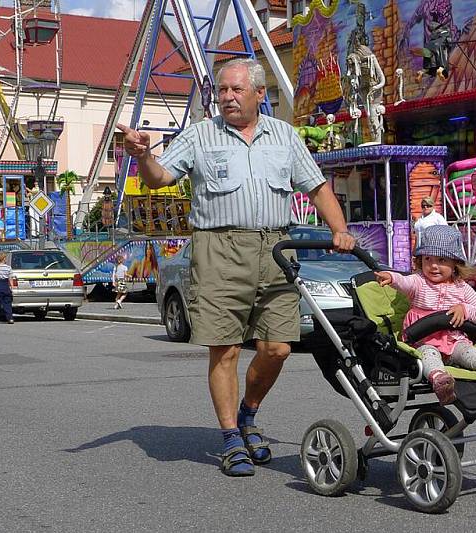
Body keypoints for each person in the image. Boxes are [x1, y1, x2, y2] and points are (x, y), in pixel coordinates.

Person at [116, 58, 355, 477]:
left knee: (278, 347)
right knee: (225, 349)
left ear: (260, 94)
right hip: (218, 247)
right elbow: (159, 178)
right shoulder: (200, 136)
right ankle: (230, 438)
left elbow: (317, 187)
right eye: (222, 90)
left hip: (276, 247)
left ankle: (248, 412)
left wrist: (341, 230)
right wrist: (142, 156)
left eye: (236, 90)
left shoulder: (283, 135)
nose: (226, 97)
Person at [374, 225, 476, 405]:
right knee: (428, 356)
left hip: (454, 341)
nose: (433, 266)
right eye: (427, 259)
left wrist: (464, 309)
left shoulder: (462, 288)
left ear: (454, 263)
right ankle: (441, 383)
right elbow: (404, 282)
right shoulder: (419, 283)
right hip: (424, 340)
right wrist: (392, 277)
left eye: (441, 259)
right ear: (420, 261)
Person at [0, 251, 14, 324]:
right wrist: (11, 287)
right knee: (7, 303)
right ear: (4, 258)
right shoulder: (8, 268)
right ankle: (10, 318)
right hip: (5, 285)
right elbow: (10, 279)